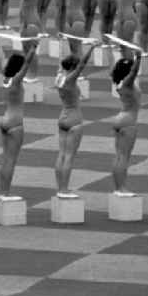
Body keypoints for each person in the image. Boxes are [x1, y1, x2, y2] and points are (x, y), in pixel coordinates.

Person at [55, 43, 96, 197]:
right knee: (69, 157)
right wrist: (91, 48)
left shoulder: (59, 77)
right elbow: (82, 65)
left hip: (62, 117)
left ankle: (60, 188)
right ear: (73, 67)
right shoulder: (70, 79)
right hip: (74, 119)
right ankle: (64, 189)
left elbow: (62, 62)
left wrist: (62, 43)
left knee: (61, 154)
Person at [0, 47, 37, 199]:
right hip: (15, 123)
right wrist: (33, 48)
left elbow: (2, 59)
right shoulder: (17, 80)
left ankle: (2, 192)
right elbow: (27, 64)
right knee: (11, 160)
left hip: (4, 120)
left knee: (5, 158)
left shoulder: (5, 79)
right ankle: (6, 193)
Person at [111, 48, 143, 195]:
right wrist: (139, 57)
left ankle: (119, 188)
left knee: (119, 156)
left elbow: (132, 73)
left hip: (120, 118)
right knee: (124, 157)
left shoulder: (120, 83)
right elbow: (134, 72)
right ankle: (121, 188)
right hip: (128, 121)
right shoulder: (127, 83)